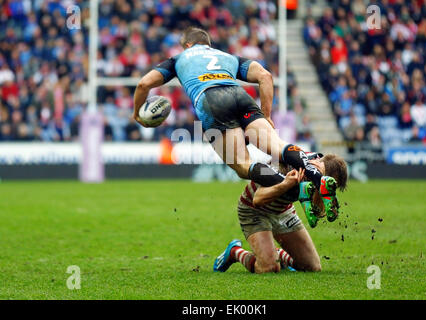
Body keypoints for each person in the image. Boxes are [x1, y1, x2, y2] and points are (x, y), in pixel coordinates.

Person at [133, 27, 341, 221]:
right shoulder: (227, 57)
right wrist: (266, 115)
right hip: (240, 96)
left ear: (187, 45)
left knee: (243, 165)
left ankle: (294, 189)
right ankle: (316, 176)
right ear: (208, 45)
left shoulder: (179, 59)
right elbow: (265, 76)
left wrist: (137, 114)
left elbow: (144, 83)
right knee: (278, 146)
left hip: (211, 100)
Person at [213, 153, 348, 274]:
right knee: (269, 268)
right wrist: (286, 184)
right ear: (318, 164)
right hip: (254, 211)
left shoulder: (318, 169)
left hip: (284, 211)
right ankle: (235, 252)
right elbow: (258, 199)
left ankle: (274, 253)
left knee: (312, 266)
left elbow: (318, 206)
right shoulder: (286, 164)